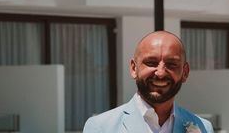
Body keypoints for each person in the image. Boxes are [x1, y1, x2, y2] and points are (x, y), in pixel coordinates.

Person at [82, 30, 214, 133]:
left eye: (171, 64)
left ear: (185, 72)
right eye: (151, 63)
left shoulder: (202, 128)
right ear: (134, 68)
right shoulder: (102, 127)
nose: (160, 73)